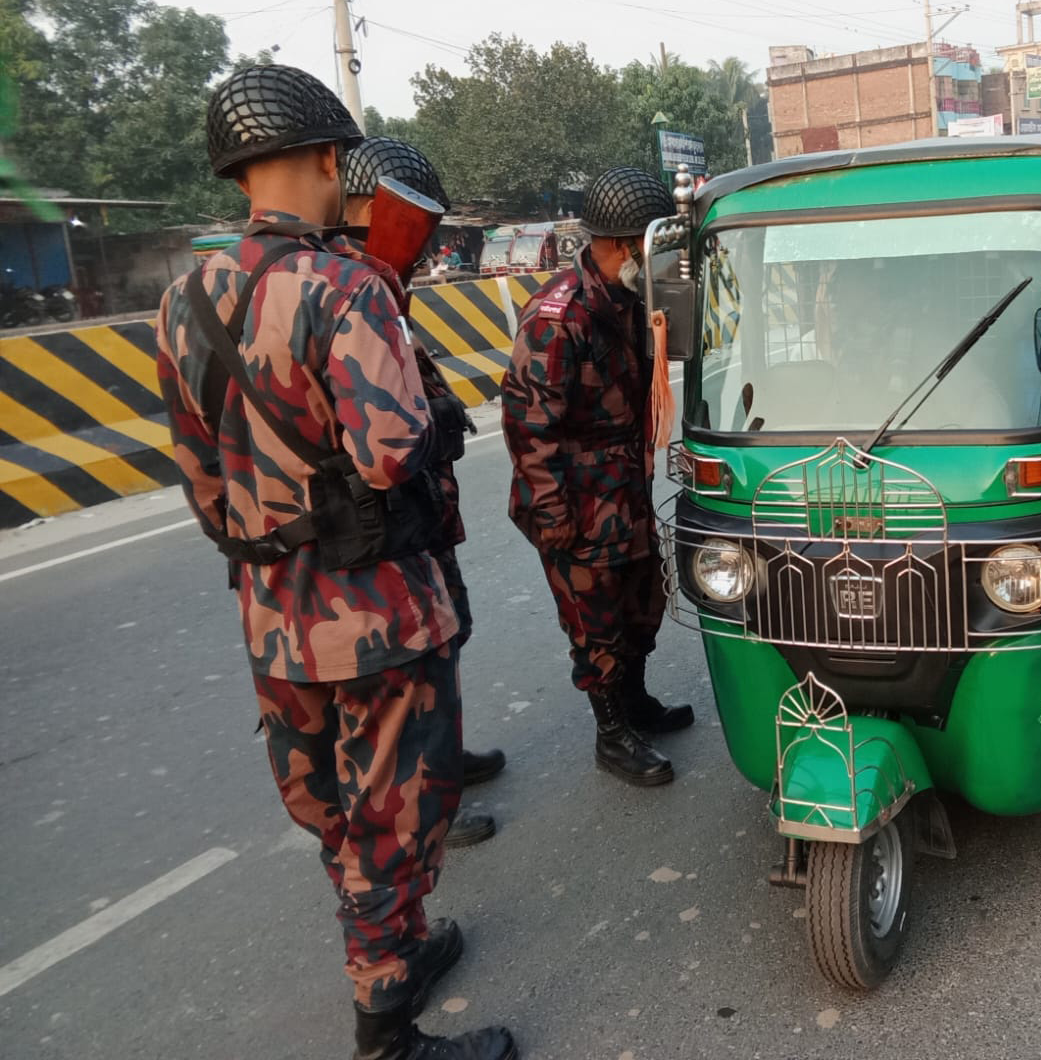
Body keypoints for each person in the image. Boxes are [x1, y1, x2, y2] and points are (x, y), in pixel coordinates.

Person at [155, 65, 514, 1060]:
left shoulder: (184, 298)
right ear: (326, 158)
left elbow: (198, 475)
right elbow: (391, 450)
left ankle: (396, 951)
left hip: (273, 612)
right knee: (391, 820)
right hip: (379, 615)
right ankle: (386, 1030)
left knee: (333, 810)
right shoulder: (345, 284)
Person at [339, 135, 506, 850]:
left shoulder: (382, 288)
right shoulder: (345, 288)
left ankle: (444, 764)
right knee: (403, 678)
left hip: (421, 519)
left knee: (445, 645)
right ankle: (424, 809)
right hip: (384, 530)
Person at [501, 165, 692, 786]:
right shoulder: (561, 317)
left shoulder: (632, 301)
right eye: (651, 245)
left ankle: (635, 704)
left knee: (642, 606)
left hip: (623, 489)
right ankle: (612, 734)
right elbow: (530, 429)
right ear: (619, 245)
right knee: (597, 623)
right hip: (576, 502)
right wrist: (554, 520)